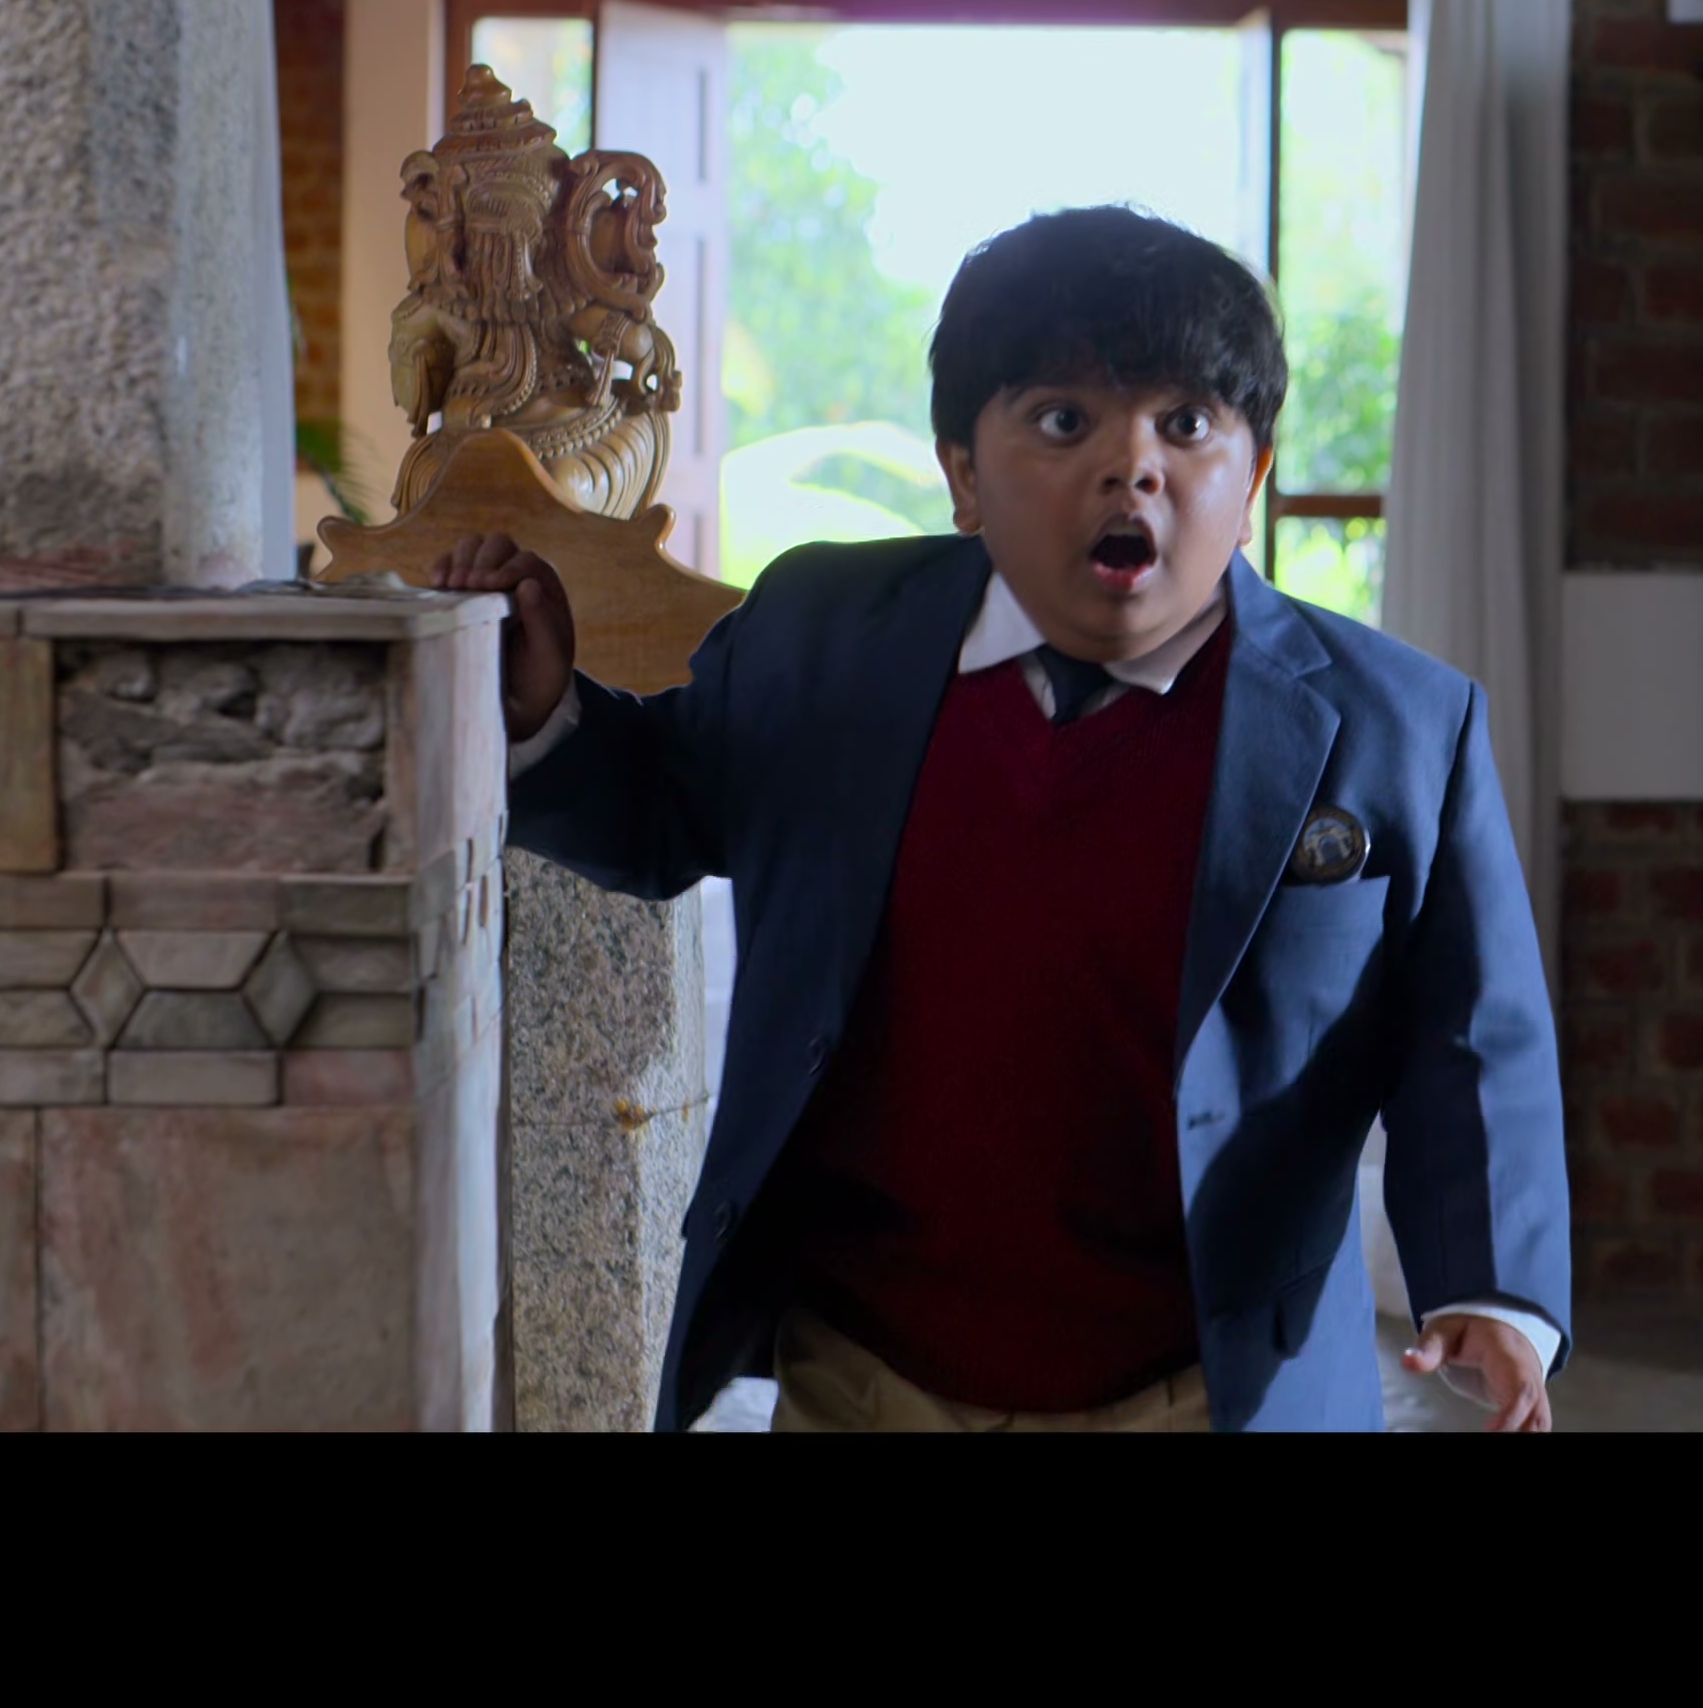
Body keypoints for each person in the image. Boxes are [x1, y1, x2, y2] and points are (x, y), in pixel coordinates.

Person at [443, 206, 1571, 1432]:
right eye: (1063, 420)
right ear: (964, 475)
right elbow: (667, 805)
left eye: (1186, 424)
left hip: (1209, 1385)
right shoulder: (823, 635)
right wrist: (542, 714)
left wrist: (1496, 1290)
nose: (1131, 467)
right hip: (866, 1373)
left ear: (1250, 480)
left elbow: (1470, 1031)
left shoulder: (1396, 723)